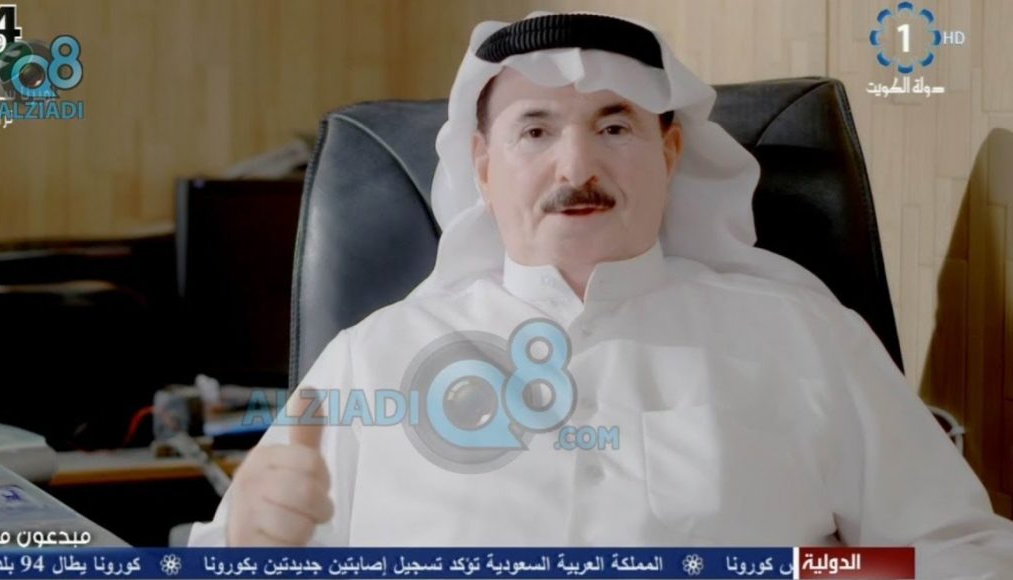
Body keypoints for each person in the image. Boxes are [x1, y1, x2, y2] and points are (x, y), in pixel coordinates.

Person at [190, 12, 1013, 577]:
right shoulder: (371, 360)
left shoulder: (806, 340)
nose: (576, 167)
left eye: (615, 126)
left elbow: (967, 554)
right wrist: (247, 550)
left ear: (671, 152)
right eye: (535, 131)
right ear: (483, 167)